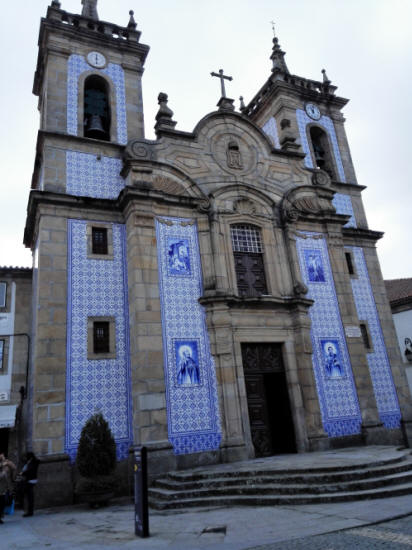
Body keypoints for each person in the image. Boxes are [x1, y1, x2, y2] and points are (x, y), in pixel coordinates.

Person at [20, 452, 39, 517]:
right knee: (29, 497)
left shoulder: (32, 463)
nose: (25, 458)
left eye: (26, 456)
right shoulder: (32, 462)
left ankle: (30, 512)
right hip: (31, 480)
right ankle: (29, 511)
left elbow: (29, 471)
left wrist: (22, 473)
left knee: (29, 497)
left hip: (30, 480)